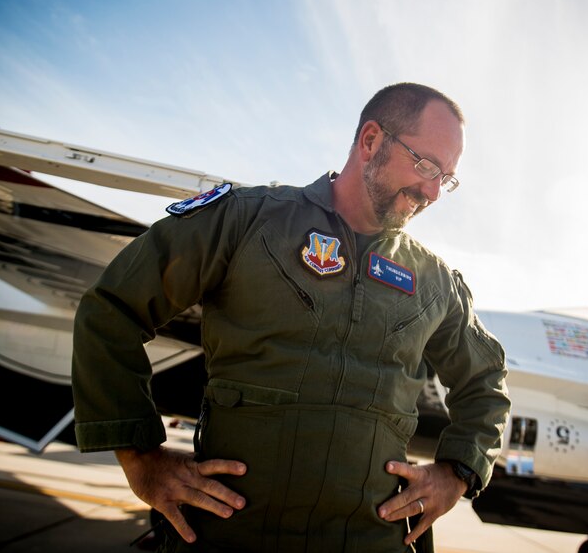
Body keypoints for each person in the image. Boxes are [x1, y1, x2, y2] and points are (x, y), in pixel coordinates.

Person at [72, 82, 511, 552]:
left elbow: (484, 382)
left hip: (367, 540)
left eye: (446, 177)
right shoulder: (246, 221)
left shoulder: (435, 281)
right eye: (425, 164)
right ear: (370, 141)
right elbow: (111, 310)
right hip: (229, 536)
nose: (432, 191)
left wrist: (456, 473)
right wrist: (141, 459)